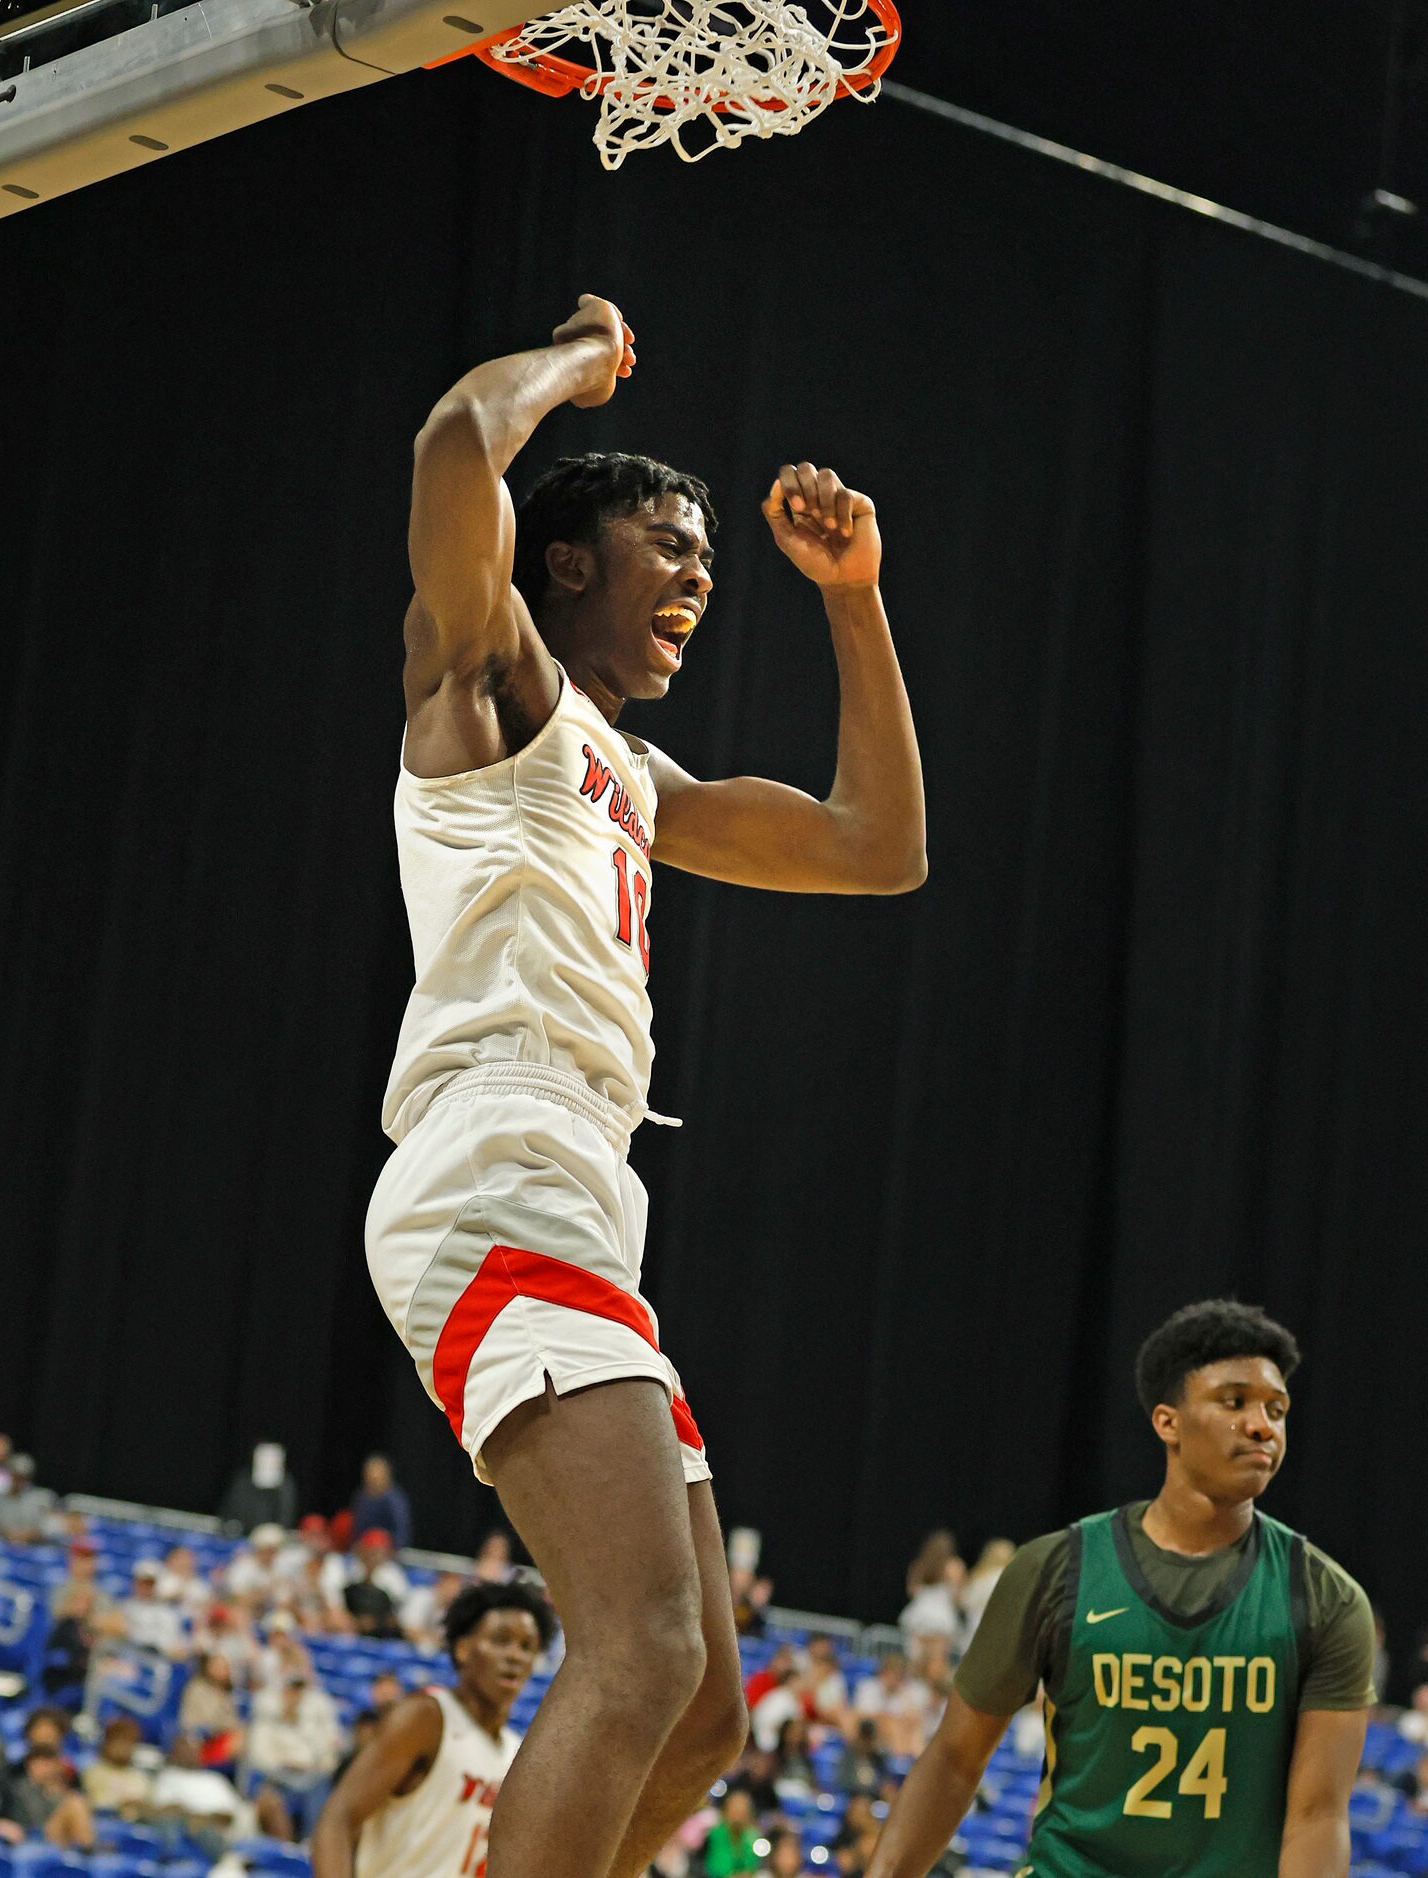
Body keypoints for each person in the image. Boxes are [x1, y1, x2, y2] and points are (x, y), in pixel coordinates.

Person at [364, 293, 925, 1878]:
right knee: (642, 1646)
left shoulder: (644, 779)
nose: (698, 574)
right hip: (496, 1155)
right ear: (562, 568)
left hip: (583, 1189)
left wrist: (857, 600)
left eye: (707, 556)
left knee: (700, 1723)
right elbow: (456, 441)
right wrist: (579, 360)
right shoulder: (481, 685)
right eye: (669, 546)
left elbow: (879, 849)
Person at [868, 1299, 1376, 1878]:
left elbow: (1318, 1816)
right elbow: (955, 1761)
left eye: (1276, 1408)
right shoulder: (1057, 1569)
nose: (1263, 1425)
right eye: (1234, 1401)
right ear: (1168, 1422)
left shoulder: (1327, 1599)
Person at [313, 1580, 554, 1878]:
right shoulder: (426, 1718)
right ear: (463, 1648)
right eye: (501, 1640)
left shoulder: (517, 1755)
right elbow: (337, 1819)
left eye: (527, 1646)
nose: (515, 1656)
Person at [247, 1674, 345, 1838]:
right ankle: (313, 1838)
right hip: (279, 1776)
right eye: (290, 1692)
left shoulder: (308, 1723)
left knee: (321, 1780)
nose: (294, 1697)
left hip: (309, 1774)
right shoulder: (267, 1723)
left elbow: (324, 1752)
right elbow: (260, 1758)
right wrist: (286, 1762)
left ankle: (314, 1838)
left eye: (298, 1693)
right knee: (317, 1784)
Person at [10, 1745, 96, 1849]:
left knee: (77, 1801)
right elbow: (38, 1818)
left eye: (48, 1763)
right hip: (34, 1835)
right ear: (29, 1765)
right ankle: (90, 1850)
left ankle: (87, 1852)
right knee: (75, 1802)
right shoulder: (22, 1788)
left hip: (61, 1834)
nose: (45, 1769)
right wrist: (51, 1793)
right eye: (39, 1763)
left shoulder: (61, 1787)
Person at [83, 1716, 157, 1821]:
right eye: (119, 1741)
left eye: (130, 1742)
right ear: (107, 1742)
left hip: (137, 1828)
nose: (124, 1747)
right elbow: (95, 1804)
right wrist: (122, 1805)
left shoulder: (141, 1778)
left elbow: (150, 1808)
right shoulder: (92, 1771)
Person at [349, 1456, 414, 1550]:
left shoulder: (395, 1499)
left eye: (377, 1475)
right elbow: (356, 1528)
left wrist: (392, 1549)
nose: (374, 1478)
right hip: (364, 1549)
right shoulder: (361, 1497)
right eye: (370, 1475)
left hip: (388, 1550)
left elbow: (402, 1531)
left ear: (387, 1475)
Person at [701, 1789, 763, 1878]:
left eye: (742, 1812)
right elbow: (719, 1869)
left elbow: (752, 1866)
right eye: (735, 1811)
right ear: (726, 1810)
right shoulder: (717, 1832)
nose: (738, 1816)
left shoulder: (752, 1835)